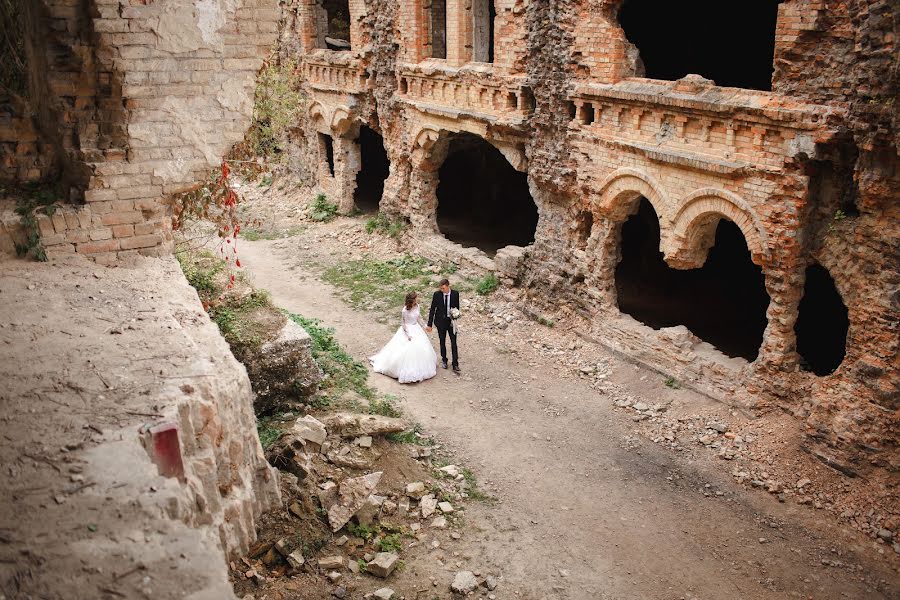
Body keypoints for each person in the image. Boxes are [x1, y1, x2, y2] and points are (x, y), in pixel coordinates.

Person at [369, 291, 437, 383]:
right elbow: (403, 323)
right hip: (408, 330)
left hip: (416, 328)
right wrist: (407, 335)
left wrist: (425, 326)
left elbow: (419, 318)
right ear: (412, 300)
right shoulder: (405, 310)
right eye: (416, 298)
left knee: (420, 348)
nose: (417, 299)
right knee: (407, 350)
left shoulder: (417, 306)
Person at [427, 278, 460, 373]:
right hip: (440, 322)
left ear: (448, 286)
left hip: (451, 322)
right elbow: (432, 309)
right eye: (441, 288)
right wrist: (430, 324)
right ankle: (444, 360)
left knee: (454, 342)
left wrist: (456, 315)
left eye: (443, 288)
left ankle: (455, 364)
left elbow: (457, 307)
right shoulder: (437, 295)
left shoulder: (455, 294)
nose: (442, 290)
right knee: (442, 341)